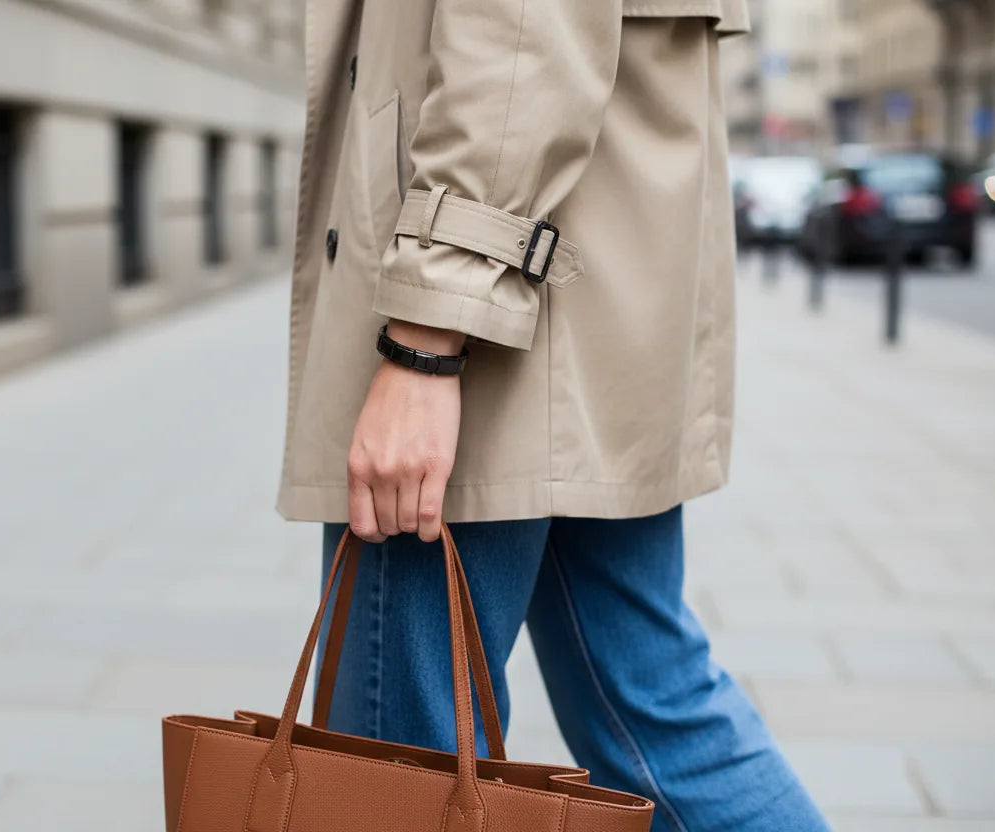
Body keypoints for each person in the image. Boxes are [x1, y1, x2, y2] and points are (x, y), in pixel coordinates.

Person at [275, 1, 830, 830]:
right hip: (593, 272)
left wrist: (426, 338)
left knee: (396, 773)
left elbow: (518, 21)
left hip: (497, 298)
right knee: (652, 709)